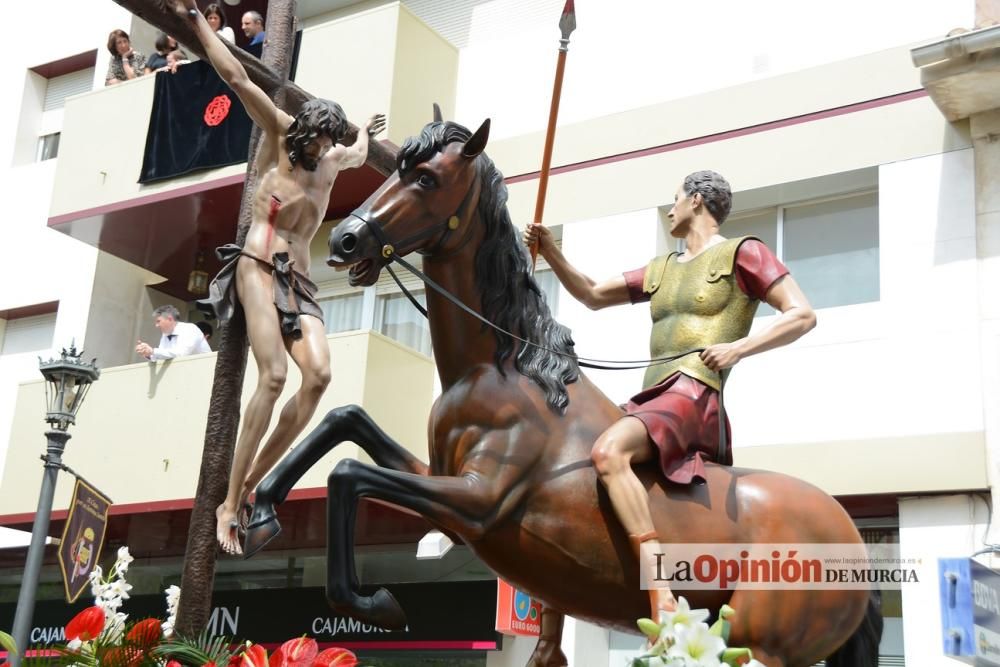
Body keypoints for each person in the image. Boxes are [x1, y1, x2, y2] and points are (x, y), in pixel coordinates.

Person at [523, 170, 816, 632]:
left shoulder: (744, 253)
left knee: (607, 451)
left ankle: (660, 589)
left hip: (695, 394)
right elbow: (593, 295)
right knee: (572, 479)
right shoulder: (661, 269)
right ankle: (548, 638)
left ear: (697, 200)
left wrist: (738, 349)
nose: (671, 207)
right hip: (652, 397)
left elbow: (802, 314)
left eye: (676, 199)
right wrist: (551, 250)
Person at [174, 0, 386, 556]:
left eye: (328, 143)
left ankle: (249, 488)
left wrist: (364, 130)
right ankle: (227, 502)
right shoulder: (281, 130)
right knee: (271, 377)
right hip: (259, 264)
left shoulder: (333, 161)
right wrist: (197, 21)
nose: (320, 152)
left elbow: (359, 150)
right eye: (318, 141)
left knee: (317, 377)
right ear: (307, 130)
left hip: (303, 283)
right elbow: (236, 75)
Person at [136, 305, 212, 361]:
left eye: (158, 321)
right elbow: (162, 357)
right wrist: (148, 353)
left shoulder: (190, 329)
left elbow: (181, 354)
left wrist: (152, 351)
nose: (156, 325)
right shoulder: (165, 335)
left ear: (169, 319)